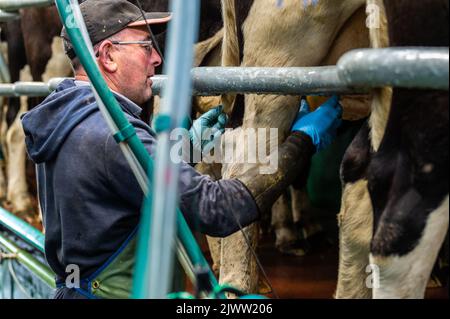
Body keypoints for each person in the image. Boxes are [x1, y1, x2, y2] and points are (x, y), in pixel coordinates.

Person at [21, 0, 342, 299]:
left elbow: (125, 179)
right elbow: (218, 209)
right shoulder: (112, 134)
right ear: (107, 56)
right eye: (145, 47)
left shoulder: (69, 113)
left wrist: (185, 148)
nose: (157, 58)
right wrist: (301, 142)